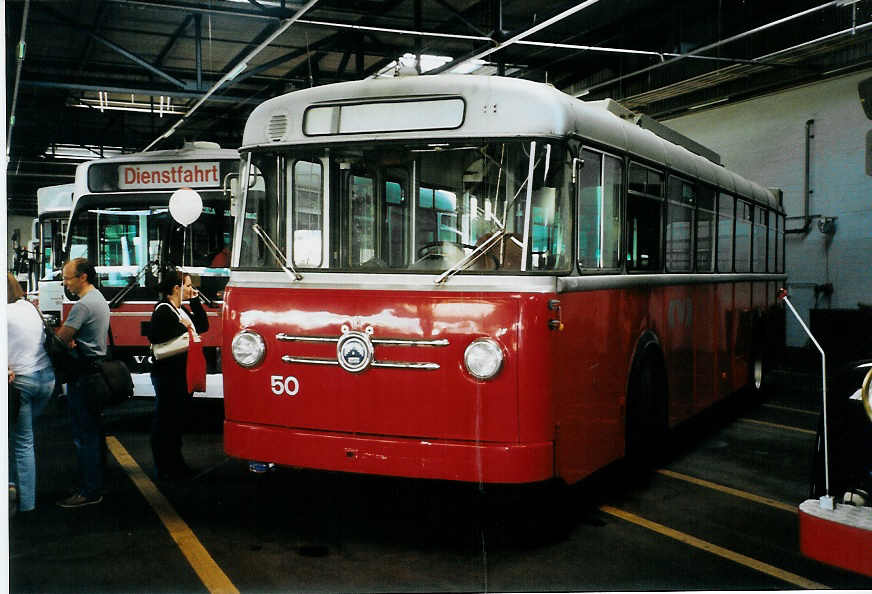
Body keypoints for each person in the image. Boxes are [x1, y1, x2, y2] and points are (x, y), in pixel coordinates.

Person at [55, 258, 110, 508]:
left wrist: (63, 338)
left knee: (84, 434)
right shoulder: (99, 299)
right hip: (96, 372)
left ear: (83, 277)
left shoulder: (83, 306)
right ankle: (95, 484)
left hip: (83, 376)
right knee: (94, 432)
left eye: (68, 278)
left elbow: (60, 340)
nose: (65, 283)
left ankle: (89, 490)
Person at [148, 268, 209, 480]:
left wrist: (195, 301)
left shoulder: (181, 310)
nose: (192, 289)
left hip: (179, 375)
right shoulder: (163, 310)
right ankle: (165, 468)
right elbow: (156, 336)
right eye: (189, 286)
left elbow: (203, 326)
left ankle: (175, 464)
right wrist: (184, 329)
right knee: (166, 422)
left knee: (175, 423)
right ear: (176, 288)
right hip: (167, 377)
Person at [6, 273, 56, 512]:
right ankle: (12, 484)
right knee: (18, 435)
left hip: (21, 382)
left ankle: (26, 504)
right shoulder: (28, 307)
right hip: (46, 380)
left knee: (22, 441)